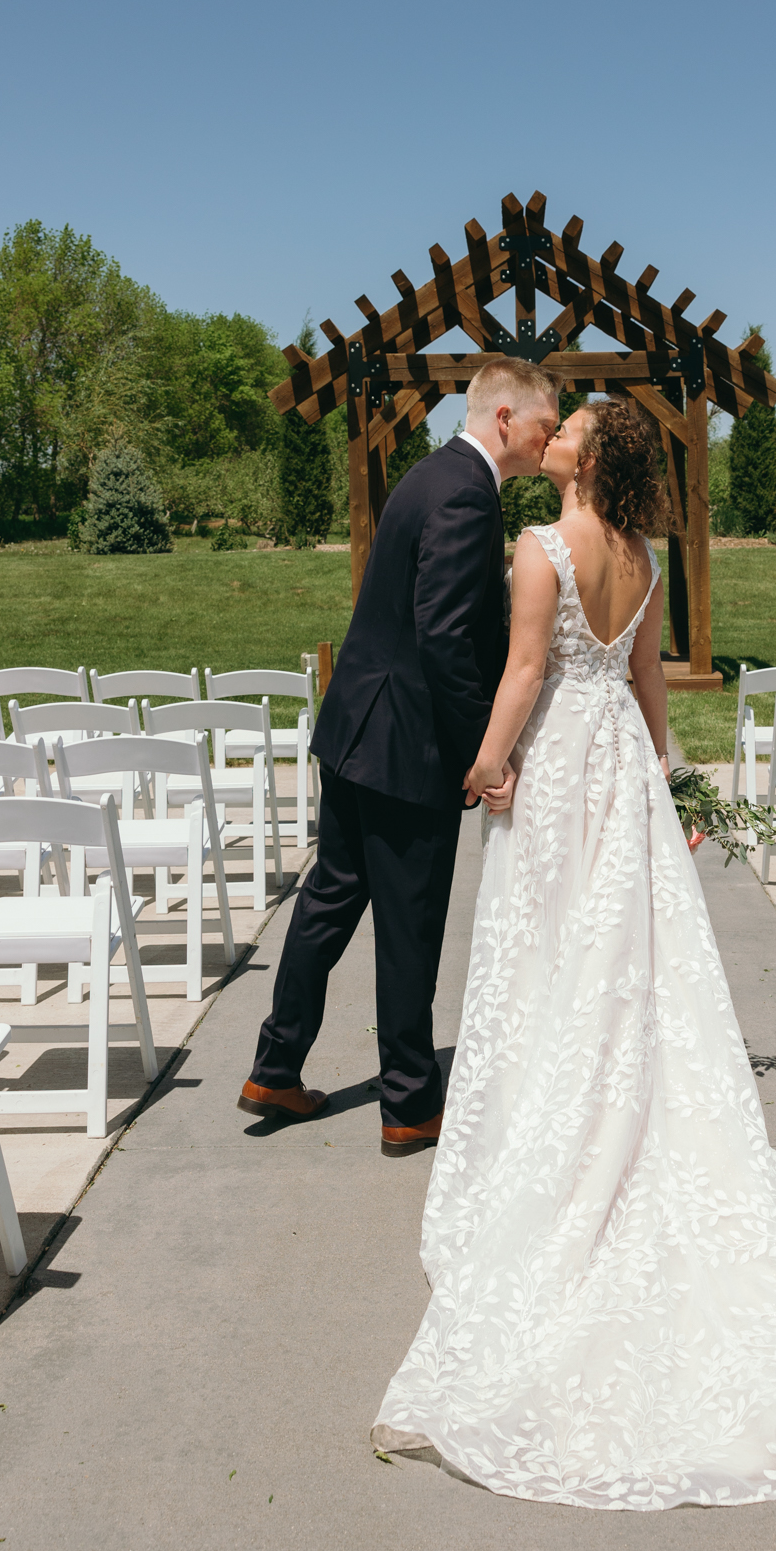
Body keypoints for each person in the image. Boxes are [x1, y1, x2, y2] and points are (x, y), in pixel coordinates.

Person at [371, 398, 776, 1506]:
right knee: (625, 965)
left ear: (588, 457)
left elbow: (526, 672)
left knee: (550, 959)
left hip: (556, 775)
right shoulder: (639, 556)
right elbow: (646, 688)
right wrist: (674, 777)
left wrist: (486, 765)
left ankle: (558, 1119)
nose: (552, 429)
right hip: (622, 779)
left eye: (570, 424)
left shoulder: (542, 549)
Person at [237, 356, 562, 1156]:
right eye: (545, 424)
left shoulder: (429, 475)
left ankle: (276, 1065)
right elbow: (445, 636)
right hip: (406, 741)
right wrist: (483, 752)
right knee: (409, 923)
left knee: (329, 899)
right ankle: (410, 1104)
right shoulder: (465, 492)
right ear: (504, 419)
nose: (550, 439)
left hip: (356, 726)